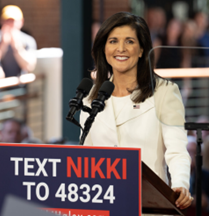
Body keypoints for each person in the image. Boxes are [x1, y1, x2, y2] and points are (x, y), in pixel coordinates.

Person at [80, 12, 192, 213]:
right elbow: (86, 158)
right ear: (104, 48)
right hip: (103, 207)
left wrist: (181, 184)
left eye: (129, 41)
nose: (120, 49)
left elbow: (177, 151)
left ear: (141, 50)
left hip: (149, 208)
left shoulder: (165, 91)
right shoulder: (90, 98)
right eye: (113, 41)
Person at [0, 5, 37, 80]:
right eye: (7, 20)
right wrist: (3, 44)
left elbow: (29, 67)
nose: (10, 24)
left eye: (13, 21)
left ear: (21, 22)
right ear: (1, 21)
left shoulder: (28, 40)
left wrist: (16, 47)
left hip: (18, 87)